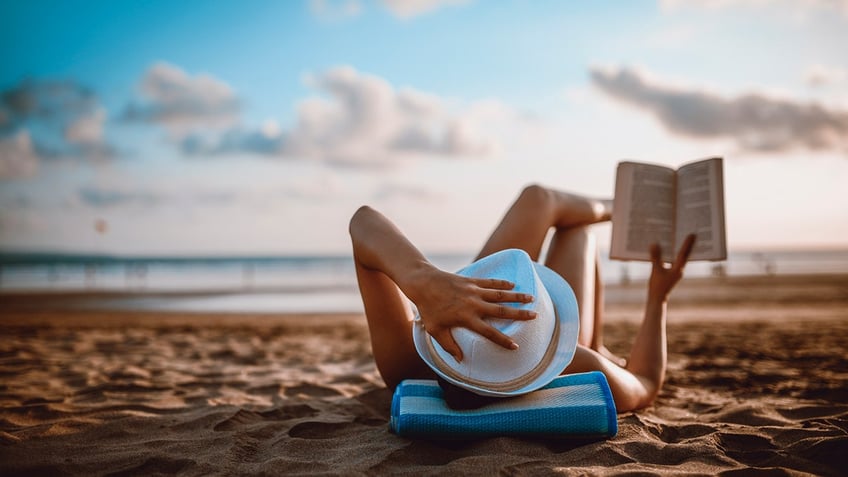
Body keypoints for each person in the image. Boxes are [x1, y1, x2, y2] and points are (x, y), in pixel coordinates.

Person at [349, 184, 695, 412]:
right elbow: (646, 381)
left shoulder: (409, 364)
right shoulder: (577, 366)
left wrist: (423, 279)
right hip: (576, 353)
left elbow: (363, 222)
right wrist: (658, 296)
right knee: (576, 231)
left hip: (461, 322)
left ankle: (620, 208)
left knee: (538, 199)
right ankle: (621, 210)